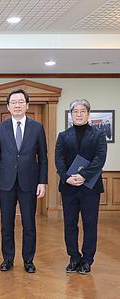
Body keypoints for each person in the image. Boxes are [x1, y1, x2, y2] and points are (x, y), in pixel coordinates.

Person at [0, 89, 48, 273]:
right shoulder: (0, 128)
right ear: (8, 107)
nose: (17, 105)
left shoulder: (37, 127)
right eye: (13, 102)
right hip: (6, 183)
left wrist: (42, 182)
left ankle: (28, 260)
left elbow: (43, 157)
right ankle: (8, 259)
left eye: (21, 101)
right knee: (6, 224)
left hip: (29, 183)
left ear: (27, 105)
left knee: (29, 224)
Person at [55, 99, 107, 275]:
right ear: (71, 114)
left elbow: (100, 159)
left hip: (90, 188)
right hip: (69, 187)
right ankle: (74, 258)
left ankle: (87, 260)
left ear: (88, 114)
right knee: (70, 224)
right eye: (75, 111)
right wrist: (67, 177)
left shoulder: (98, 135)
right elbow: (59, 159)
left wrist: (83, 175)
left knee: (90, 224)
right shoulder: (63, 135)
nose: (78, 114)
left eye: (82, 111)